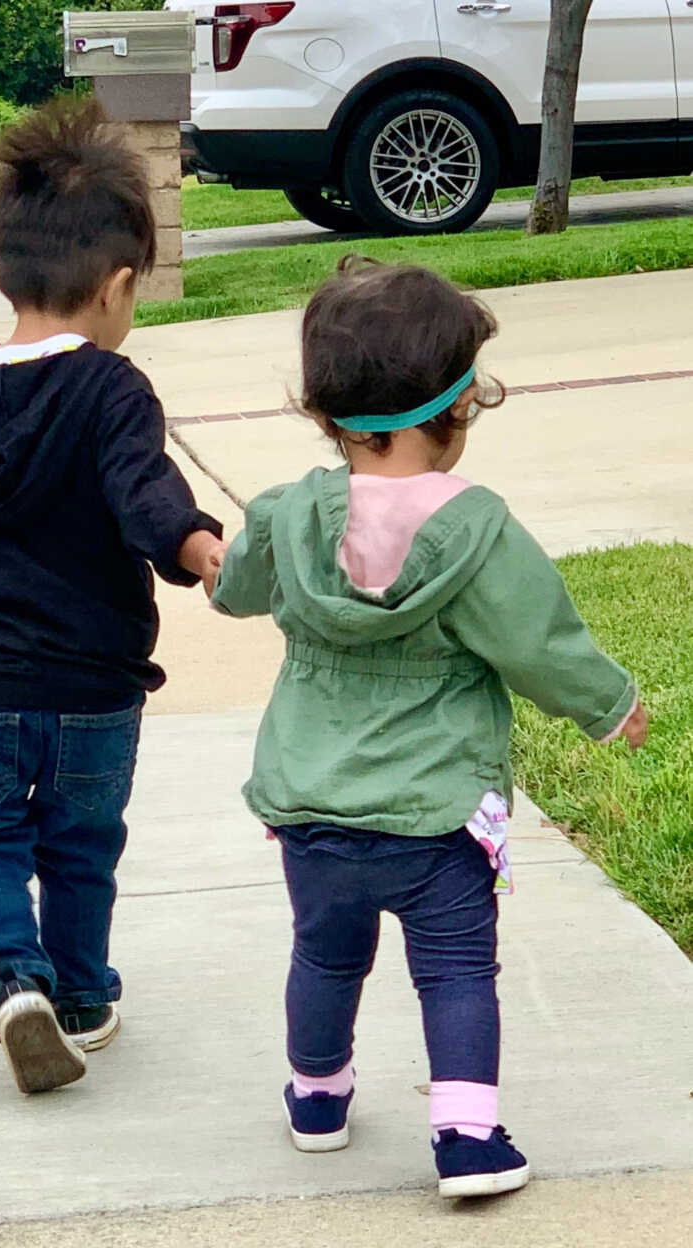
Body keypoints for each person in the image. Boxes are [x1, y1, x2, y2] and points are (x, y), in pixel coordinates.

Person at [211, 258, 647, 1197]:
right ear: (455, 413)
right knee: (455, 969)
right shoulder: (480, 532)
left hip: (313, 804)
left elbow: (237, 588)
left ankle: (316, 1097)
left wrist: (224, 561)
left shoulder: (291, 516)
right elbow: (541, 643)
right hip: (436, 814)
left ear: (327, 416)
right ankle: (467, 1139)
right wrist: (611, 706)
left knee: (325, 953)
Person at [0, 97, 225, 1095]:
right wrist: (194, 547)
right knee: (80, 841)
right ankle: (84, 997)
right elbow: (146, 494)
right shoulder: (113, 390)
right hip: (96, 691)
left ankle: (11, 977)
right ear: (114, 287)